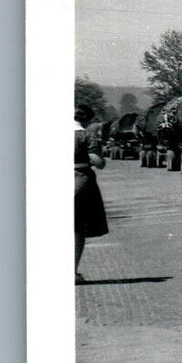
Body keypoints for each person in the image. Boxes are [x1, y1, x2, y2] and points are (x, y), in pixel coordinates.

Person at [74, 105, 109, 283]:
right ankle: (72, 271)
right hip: (79, 179)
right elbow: (98, 161)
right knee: (77, 228)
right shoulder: (85, 136)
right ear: (86, 120)